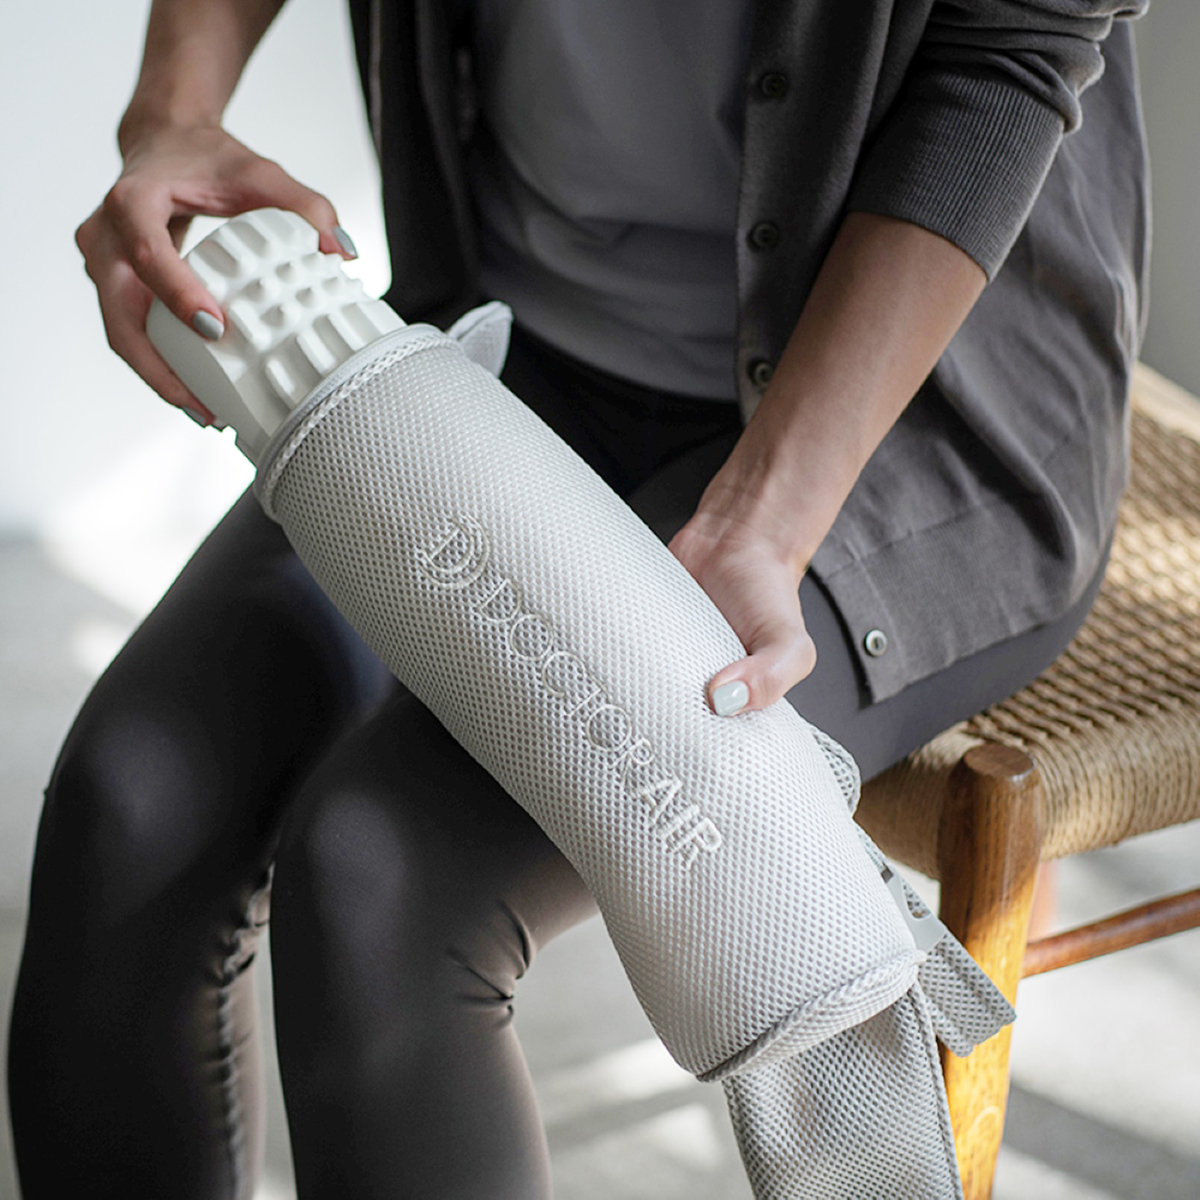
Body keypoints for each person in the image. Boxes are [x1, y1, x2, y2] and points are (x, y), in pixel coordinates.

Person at [9, 0, 1148, 1196]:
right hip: (514, 348)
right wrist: (173, 115)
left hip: (897, 423)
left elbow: (1010, 53)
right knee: (131, 800)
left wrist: (768, 515)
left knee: (390, 878)